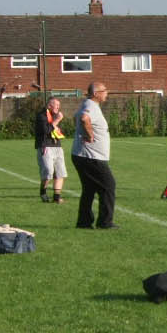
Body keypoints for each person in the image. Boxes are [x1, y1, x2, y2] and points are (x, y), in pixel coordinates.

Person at [72, 83, 117, 228]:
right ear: (96, 93)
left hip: (84, 155)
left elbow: (76, 117)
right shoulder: (90, 106)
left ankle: (84, 222)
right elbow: (84, 118)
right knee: (109, 185)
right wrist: (89, 134)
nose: (106, 93)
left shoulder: (88, 104)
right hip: (91, 156)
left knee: (89, 189)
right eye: (104, 90)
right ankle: (105, 222)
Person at [35, 96, 67, 203]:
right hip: (45, 146)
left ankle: (57, 197)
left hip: (57, 146)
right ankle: (43, 191)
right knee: (48, 171)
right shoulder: (41, 116)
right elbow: (46, 130)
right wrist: (57, 120)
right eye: (56, 105)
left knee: (60, 172)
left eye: (59, 105)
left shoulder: (56, 116)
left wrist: (58, 126)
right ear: (49, 105)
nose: (58, 107)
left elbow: (57, 131)